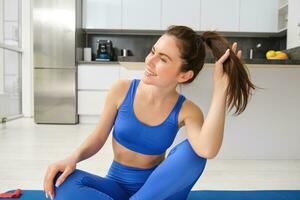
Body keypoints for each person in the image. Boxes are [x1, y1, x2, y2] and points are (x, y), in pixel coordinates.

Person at [43, 25, 255, 200]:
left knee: (195, 154)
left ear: (184, 75)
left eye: (163, 59)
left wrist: (221, 89)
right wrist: (73, 158)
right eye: (153, 51)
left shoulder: (188, 111)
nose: (149, 61)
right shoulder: (122, 89)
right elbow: (98, 137)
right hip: (115, 187)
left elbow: (207, 149)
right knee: (60, 180)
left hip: (159, 192)